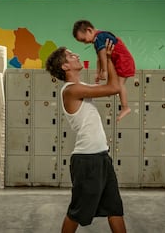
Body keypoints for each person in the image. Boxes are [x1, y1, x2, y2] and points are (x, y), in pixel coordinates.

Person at [45, 39, 126, 233]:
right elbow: (114, 88)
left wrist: (105, 65)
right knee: (77, 212)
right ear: (65, 66)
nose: (77, 56)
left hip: (101, 156)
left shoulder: (80, 86)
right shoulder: (72, 90)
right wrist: (108, 58)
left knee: (115, 208)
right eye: (71, 56)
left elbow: (111, 84)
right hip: (87, 160)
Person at [72, 20, 136, 122]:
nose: (85, 43)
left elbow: (102, 55)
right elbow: (99, 58)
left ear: (89, 30)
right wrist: (98, 72)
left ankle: (125, 107)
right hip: (120, 60)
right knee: (117, 85)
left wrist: (105, 70)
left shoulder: (99, 37)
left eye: (84, 40)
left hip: (123, 61)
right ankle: (112, 92)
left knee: (119, 85)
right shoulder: (98, 39)